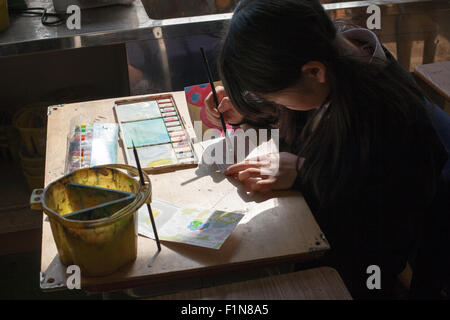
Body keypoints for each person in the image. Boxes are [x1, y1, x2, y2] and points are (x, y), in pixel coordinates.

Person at [204, 0, 449, 298]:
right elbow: (304, 100)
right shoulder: (330, 55)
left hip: (361, 268)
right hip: (317, 234)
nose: (278, 105)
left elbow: (379, 211)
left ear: (315, 72)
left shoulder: (394, 120)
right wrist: (251, 109)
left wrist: (305, 172)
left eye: (276, 98)